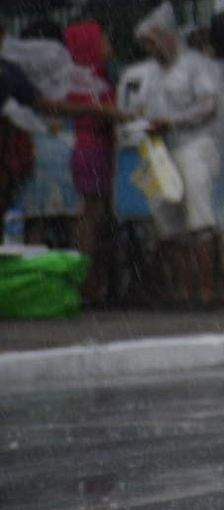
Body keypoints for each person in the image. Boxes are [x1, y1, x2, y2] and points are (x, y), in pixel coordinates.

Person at [124, 2, 224, 306]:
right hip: (160, 151)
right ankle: (181, 288)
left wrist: (174, 121)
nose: (150, 50)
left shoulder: (195, 66)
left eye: (152, 42)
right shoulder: (150, 74)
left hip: (194, 147)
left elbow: (209, 105)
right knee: (168, 224)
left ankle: (208, 289)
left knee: (200, 222)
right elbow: (139, 108)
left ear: (168, 37)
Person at [65, 21, 118, 306]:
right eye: (104, 41)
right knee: (90, 218)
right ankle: (85, 283)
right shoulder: (89, 82)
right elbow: (105, 114)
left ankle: (89, 283)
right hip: (93, 151)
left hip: (91, 150)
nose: (109, 47)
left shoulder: (83, 78)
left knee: (91, 218)